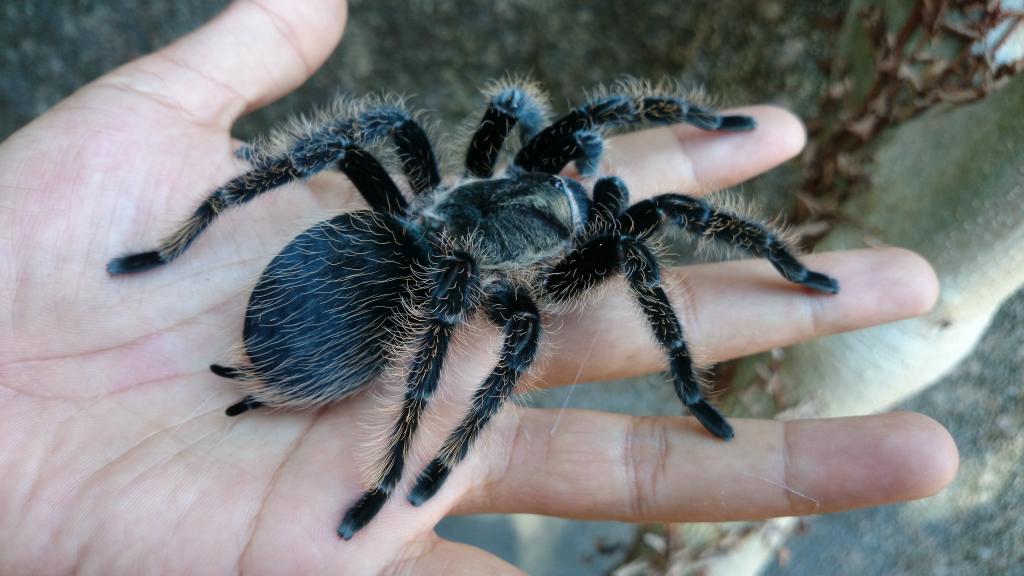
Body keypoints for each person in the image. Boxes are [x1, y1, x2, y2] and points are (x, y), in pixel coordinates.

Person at [0, 1, 958, 573]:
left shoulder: (464, 181)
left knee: (370, 134)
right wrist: (685, 369)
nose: (583, 173)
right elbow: (558, 156)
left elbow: (527, 111)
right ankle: (397, 462)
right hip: (382, 284)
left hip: (400, 237)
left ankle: (393, 448)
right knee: (588, 253)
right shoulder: (570, 232)